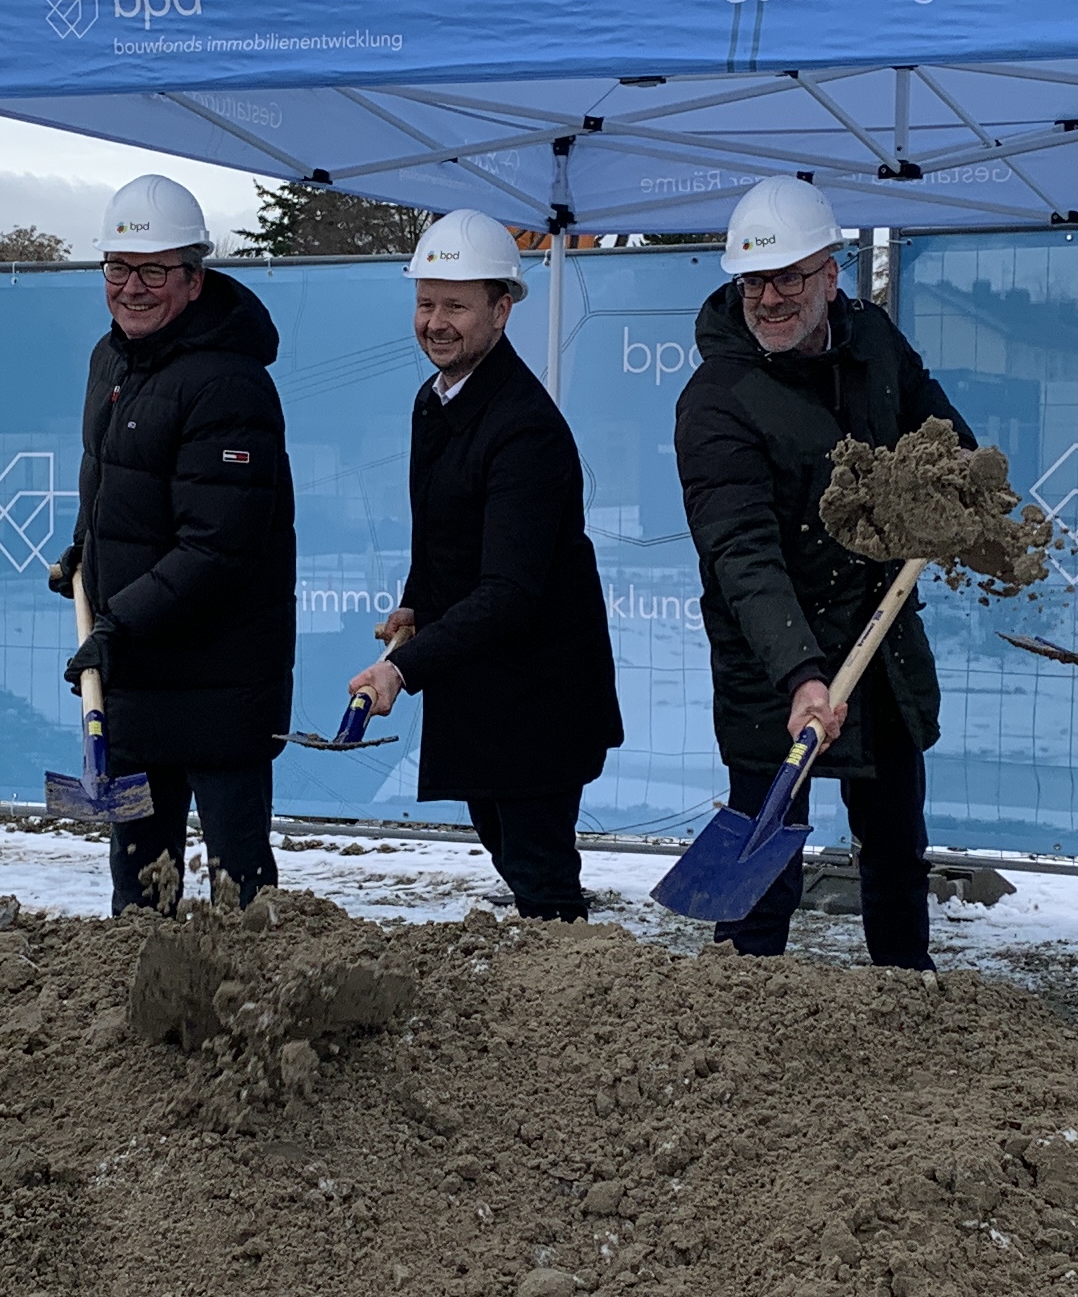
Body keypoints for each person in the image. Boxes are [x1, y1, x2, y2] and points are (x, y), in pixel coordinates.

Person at [672, 175, 972, 969]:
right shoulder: (717, 400)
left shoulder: (871, 339)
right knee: (766, 861)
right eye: (753, 281)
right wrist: (801, 675)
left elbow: (943, 434)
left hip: (879, 651)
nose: (769, 298)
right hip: (774, 664)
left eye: (788, 278)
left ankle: (907, 1005)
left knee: (897, 851)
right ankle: (738, 1020)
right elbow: (741, 553)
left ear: (830, 275)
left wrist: (958, 490)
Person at [344, 211, 621, 918]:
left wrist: (402, 670)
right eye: (426, 302)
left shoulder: (523, 427)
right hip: (483, 683)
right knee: (508, 849)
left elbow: (509, 591)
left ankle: (566, 1003)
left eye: (456, 306)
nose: (436, 322)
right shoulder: (435, 401)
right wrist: (416, 600)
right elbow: (446, 531)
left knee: (540, 872)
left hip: (540, 694)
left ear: (501, 311)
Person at [51, 173, 294, 914]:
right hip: (135, 691)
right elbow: (119, 489)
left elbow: (217, 546)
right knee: (138, 889)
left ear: (194, 280)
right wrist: (84, 551)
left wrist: (119, 624)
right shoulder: (112, 360)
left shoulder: (229, 385)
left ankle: (256, 1026)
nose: (132, 287)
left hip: (221, 692)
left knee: (239, 894)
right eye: (118, 269)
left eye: (154, 271)